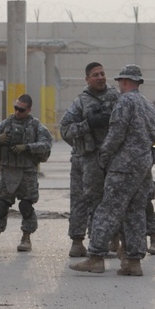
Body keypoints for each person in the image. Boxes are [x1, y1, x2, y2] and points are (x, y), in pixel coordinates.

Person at [71, 65, 155, 276]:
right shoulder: (147, 105)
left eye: (120, 81)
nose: (118, 85)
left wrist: (104, 155)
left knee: (108, 209)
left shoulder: (125, 102)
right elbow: (154, 135)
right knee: (135, 212)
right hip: (143, 166)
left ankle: (95, 258)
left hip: (123, 167)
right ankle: (133, 262)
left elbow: (116, 132)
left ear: (126, 82)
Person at [60, 62, 119, 258]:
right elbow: (65, 130)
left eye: (102, 73)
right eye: (95, 75)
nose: (100, 77)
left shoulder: (117, 98)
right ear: (87, 79)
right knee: (81, 201)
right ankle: (78, 243)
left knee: (108, 200)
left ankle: (104, 242)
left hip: (111, 158)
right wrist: (88, 124)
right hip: (86, 159)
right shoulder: (81, 102)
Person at [0, 94, 52, 252]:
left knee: (26, 206)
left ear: (28, 110)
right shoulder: (6, 124)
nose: (17, 112)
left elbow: (47, 144)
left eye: (21, 109)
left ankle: (26, 238)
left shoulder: (36, 126)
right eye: (16, 108)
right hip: (8, 171)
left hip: (27, 173)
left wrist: (27, 147)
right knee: (1, 205)